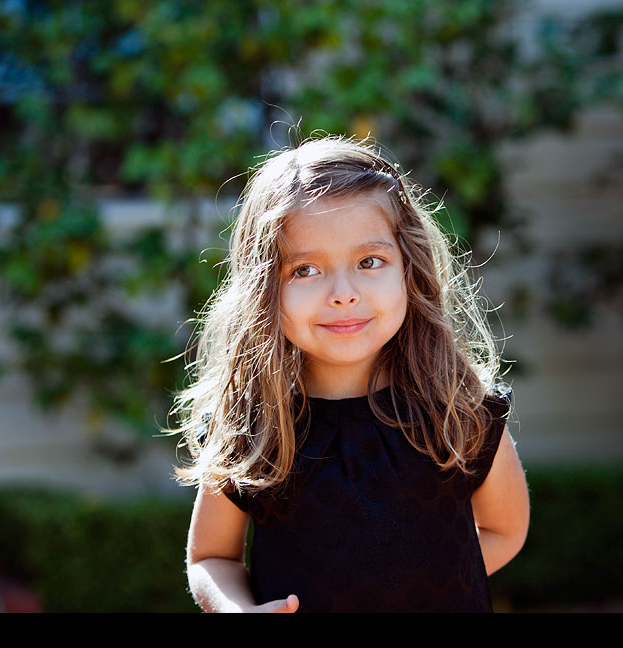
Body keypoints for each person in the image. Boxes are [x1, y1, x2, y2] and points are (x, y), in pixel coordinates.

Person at [171, 136, 529, 613]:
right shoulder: (252, 428)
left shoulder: (459, 409)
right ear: (264, 291)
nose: (343, 293)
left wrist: (426, 586)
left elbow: (505, 529)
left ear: (409, 269)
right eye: (305, 270)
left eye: (369, 262)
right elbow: (211, 556)